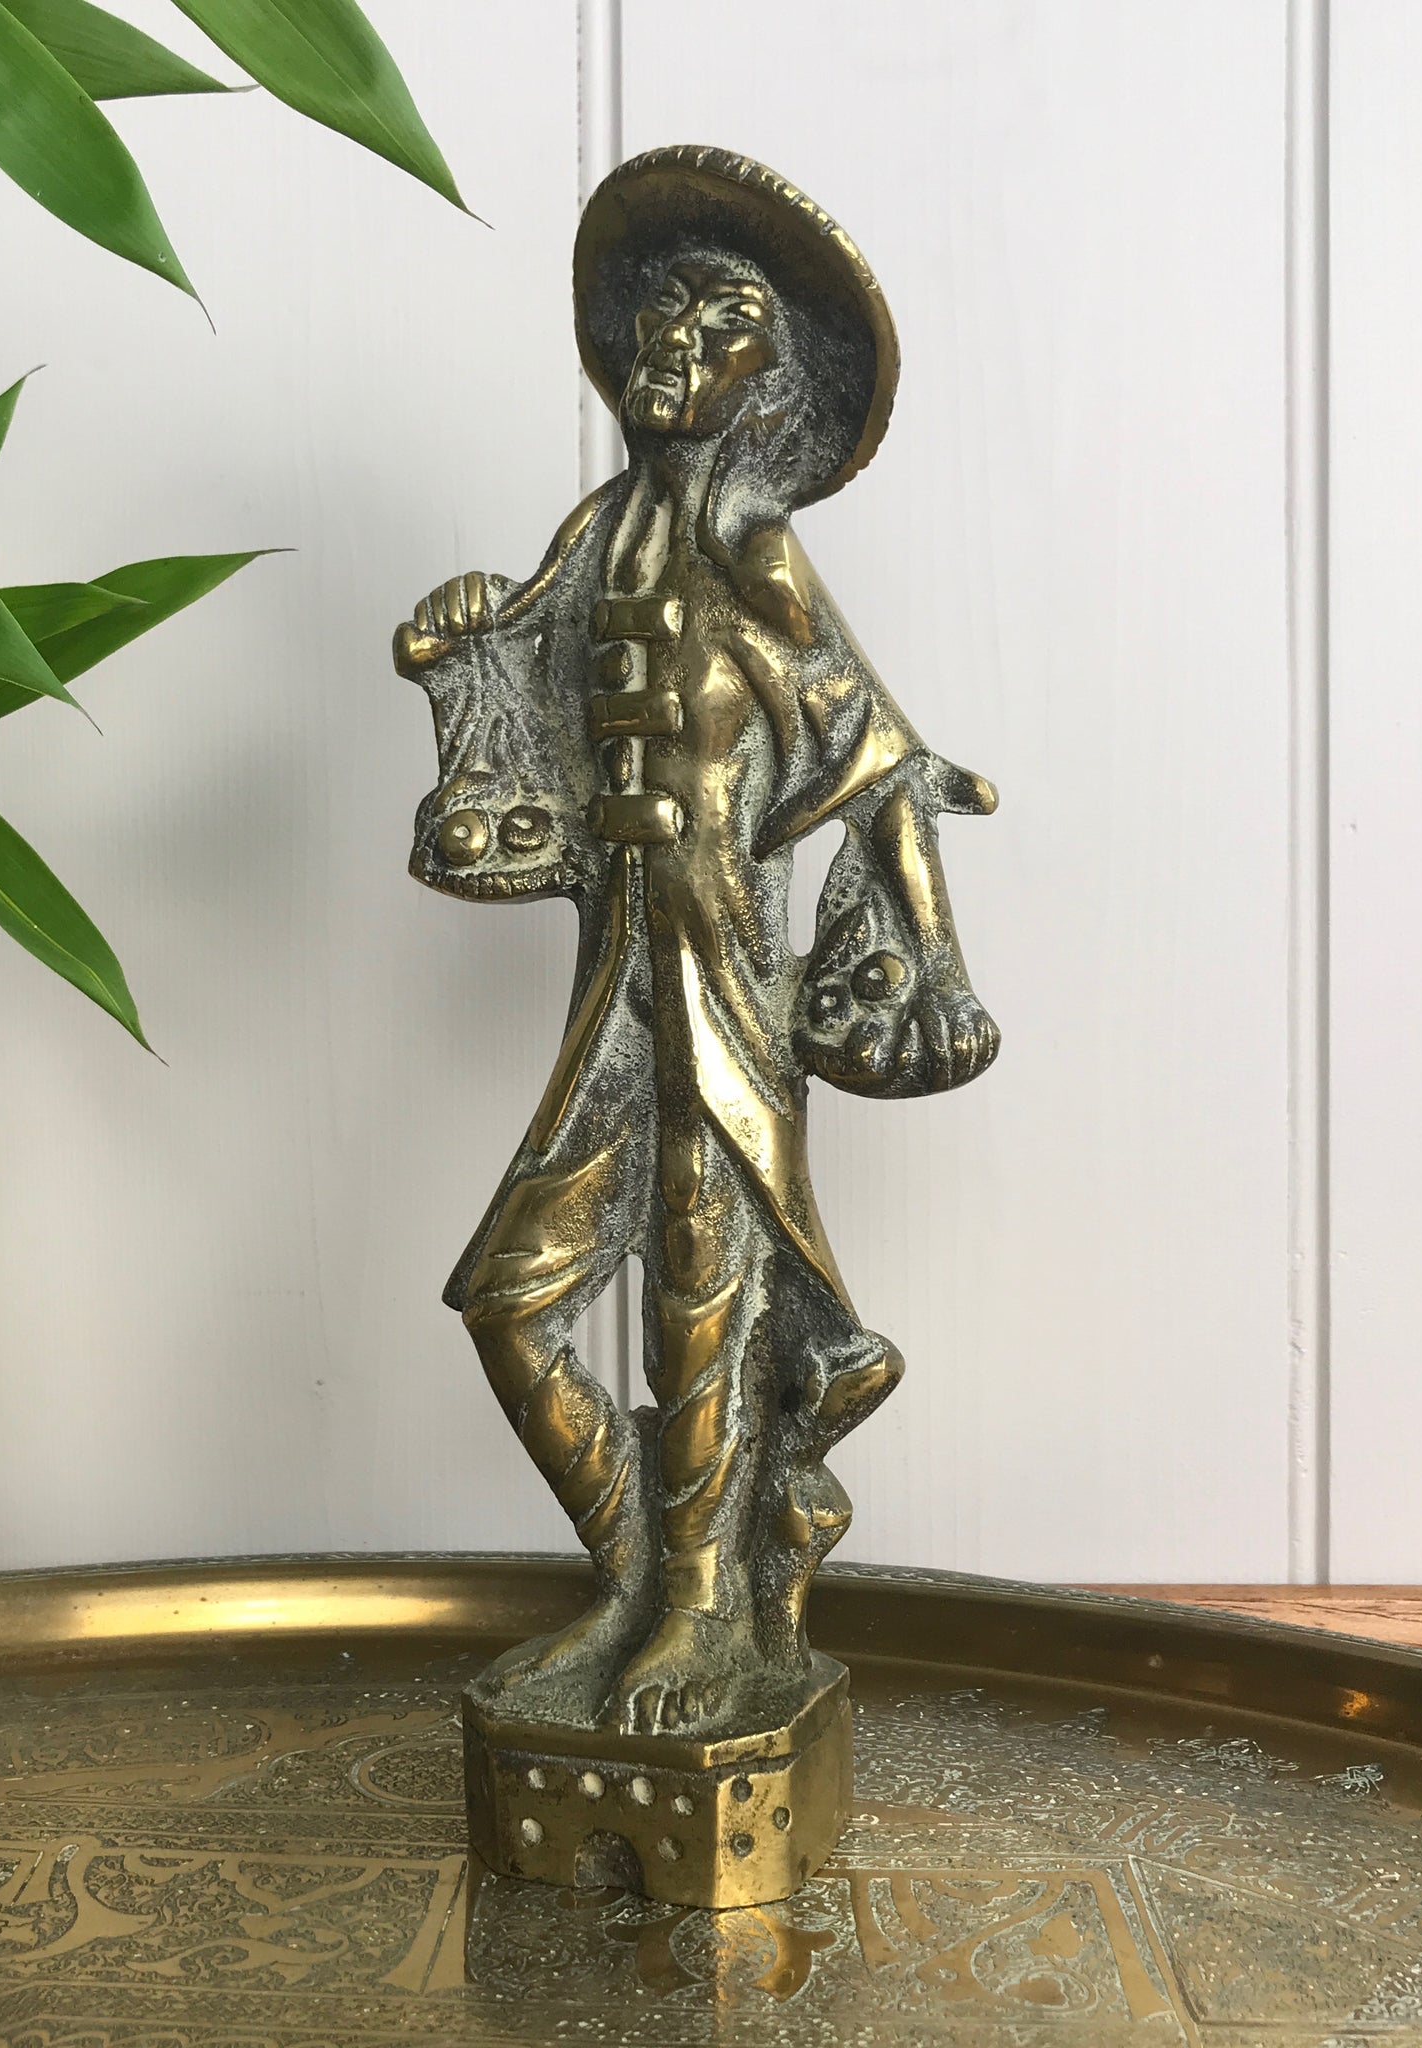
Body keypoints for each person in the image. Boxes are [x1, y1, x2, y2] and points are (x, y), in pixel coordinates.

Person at [397, 146, 998, 1737]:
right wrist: (456, 637)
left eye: (721, 321)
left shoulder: (760, 551)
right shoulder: (601, 532)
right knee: (512, 1302)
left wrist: (932, 951)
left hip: (722, 972)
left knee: (699, 1284)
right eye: (662, 310)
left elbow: (877, 756)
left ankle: (706, 1612)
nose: (676, 339)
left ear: (766, 377)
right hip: (620, 972)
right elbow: (522, 666)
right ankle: (642, 1583)